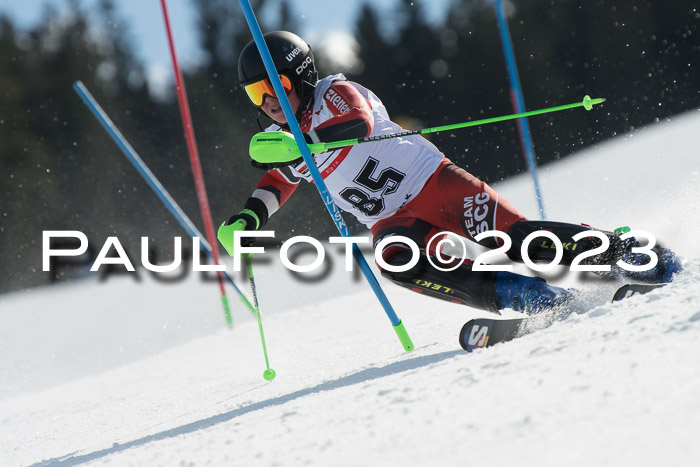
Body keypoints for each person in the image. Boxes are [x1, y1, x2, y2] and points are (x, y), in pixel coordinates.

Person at [217, 31, 683, 314]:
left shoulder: (333, 94)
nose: (268, 101)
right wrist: (248, 219)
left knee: (522, 240)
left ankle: (624, 253)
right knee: (395, 259)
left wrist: (302, 143)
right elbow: (281, 180)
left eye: (274, 85)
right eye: (255, 94)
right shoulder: (286, 139)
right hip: (395, 221)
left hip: (437, 184)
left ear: (299, 75)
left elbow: (354, 125)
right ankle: (521, 296)